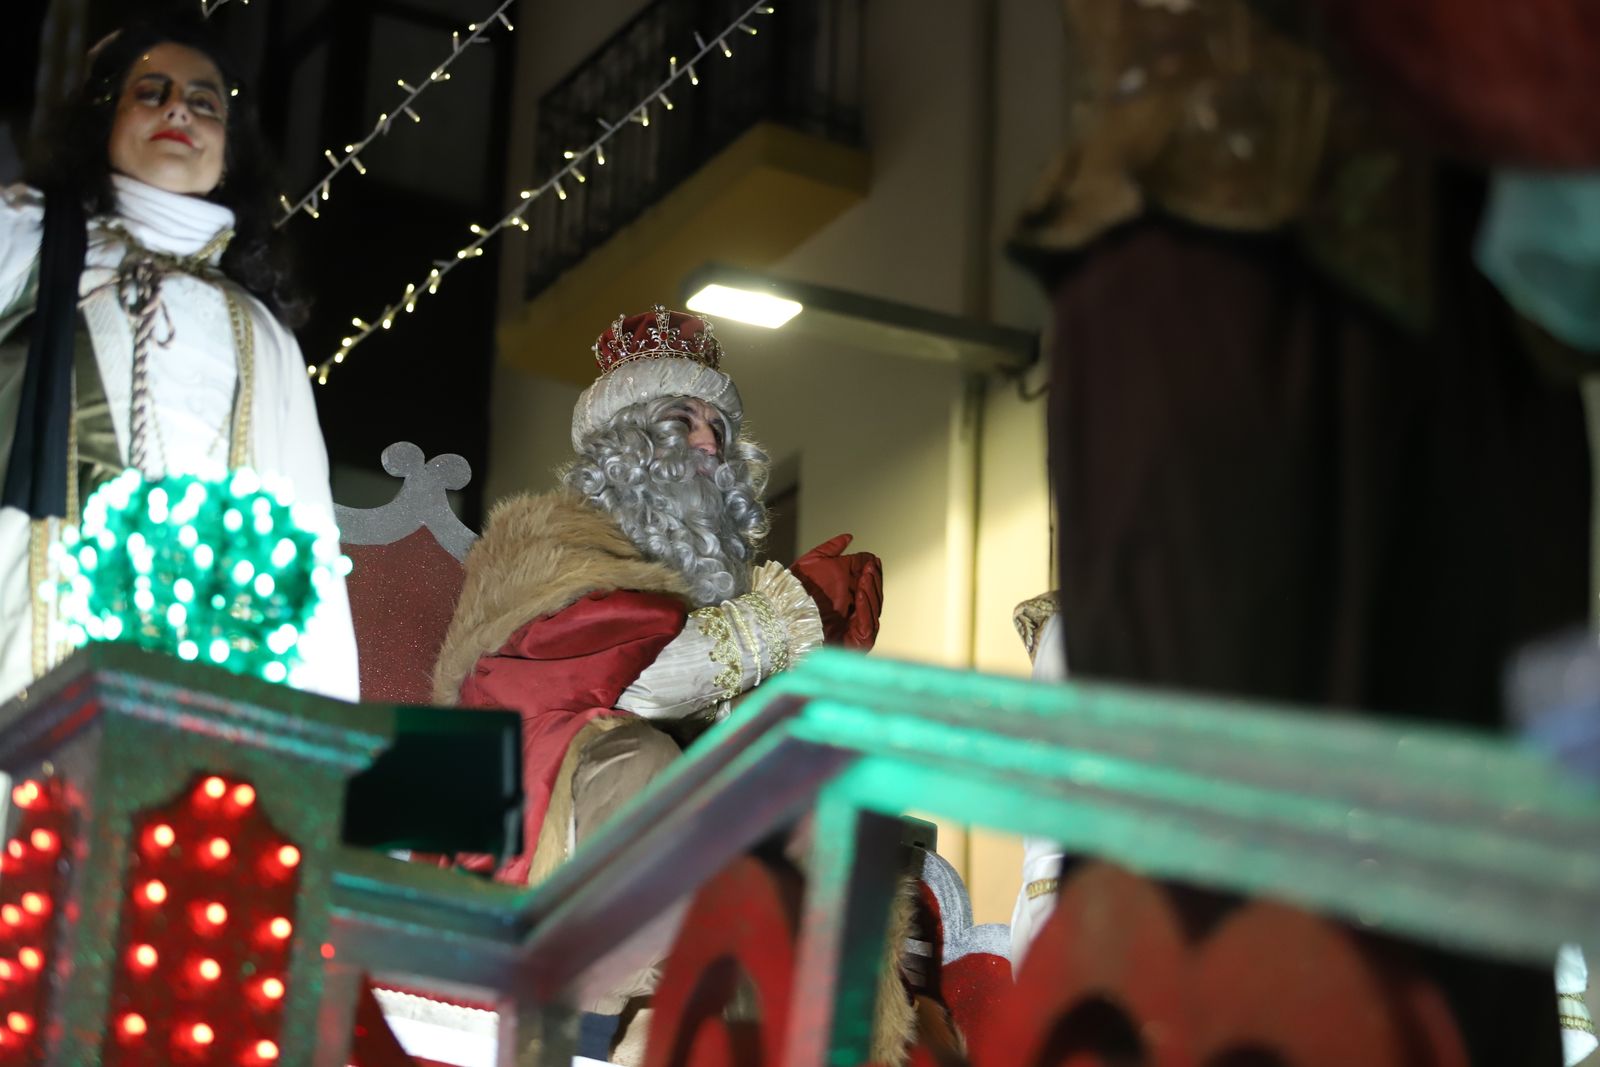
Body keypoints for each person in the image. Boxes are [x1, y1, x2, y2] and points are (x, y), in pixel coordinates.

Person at [433, 306, 883, 887]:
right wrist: (788, 620)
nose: (709, 445)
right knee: (639, 763)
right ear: (626, 441)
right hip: (537, 816)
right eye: (682, 421)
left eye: (719, 429)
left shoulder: (730, 589)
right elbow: (627, 693)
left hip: (690, 821)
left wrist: (819, 656)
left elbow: (728, 723)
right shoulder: (543, 547)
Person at [0, 14, 359, 702]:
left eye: (204, 102)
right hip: (30, 629)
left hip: (202, 667)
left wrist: (318, 730)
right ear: (103, 120)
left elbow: (307, 538)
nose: (177, 110)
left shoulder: (261, 331)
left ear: (230, 150)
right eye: (151, 91)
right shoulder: (32, 249)